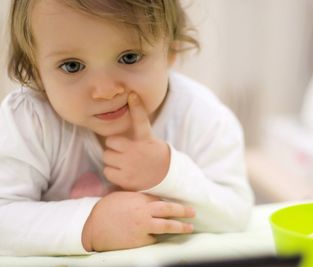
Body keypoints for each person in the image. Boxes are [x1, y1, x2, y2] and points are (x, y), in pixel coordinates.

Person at [0, 0, 254, 256]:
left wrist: (168, 173)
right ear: (35, 71)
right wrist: (89, 225)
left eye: (129, 57)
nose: (105, 91)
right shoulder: (30, 119)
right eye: (72, 66)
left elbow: (236, 214)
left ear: (171, 49)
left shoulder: (200, 115)